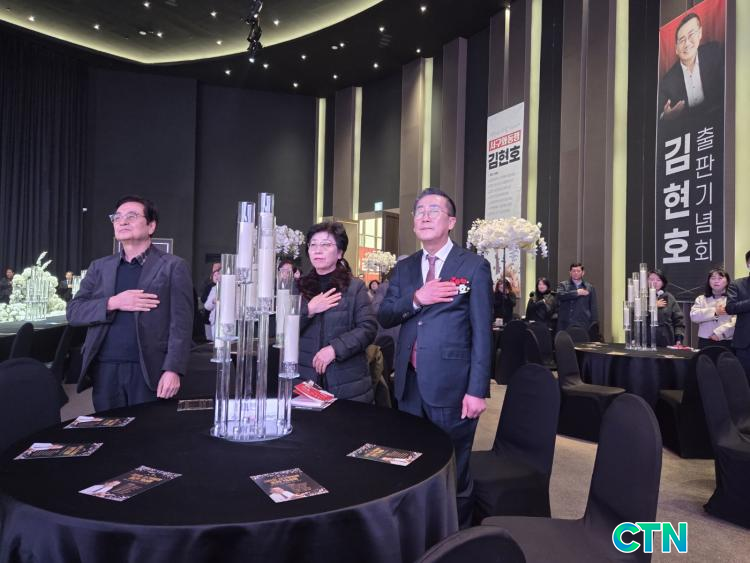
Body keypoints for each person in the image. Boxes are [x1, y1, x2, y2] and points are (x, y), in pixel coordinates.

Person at [378, 187, 493, 527]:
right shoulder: (404, 268)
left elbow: (482, 333)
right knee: (411, 463)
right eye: (419, 211)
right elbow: (385, 315)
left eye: (433, 210)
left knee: (454, 470)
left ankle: (457, 538)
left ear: (451, 222)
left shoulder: (473, 266)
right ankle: (418, 532)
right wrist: (418, 297)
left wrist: (477, 390)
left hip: (453, 387)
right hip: (409, 384)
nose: (424, 216)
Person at [67, 195, 193, 411]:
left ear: (151, 226)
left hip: (149, 369)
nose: (122, 221)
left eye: (131, 216)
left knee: (148, 430)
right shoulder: (100, 267)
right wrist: (114, 302)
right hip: (104, 369)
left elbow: (181, 324)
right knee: (110, 429)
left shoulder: (173, 266)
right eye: (117, 217)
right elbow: (74, 312)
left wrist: (173, 369)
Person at [298, 221, 377, 403]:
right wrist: (309, 310)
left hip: (348, 382)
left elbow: (368, 328)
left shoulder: (354, 287)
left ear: (340, 252)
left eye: (326, 245)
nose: (318, 250)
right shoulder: (298, 287)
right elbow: (283, 330)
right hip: (306, 379)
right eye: (313, 245)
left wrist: (335, 349)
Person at [659, 12, 724, 120]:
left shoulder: (715, 52)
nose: (687, 43)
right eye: (682, 40)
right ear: (676, 49)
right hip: (688, 127)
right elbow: (660, 115)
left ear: (700, 34)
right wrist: (666, 116)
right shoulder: (668, 81)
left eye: (691, 35)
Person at [690, 268, 735, 350]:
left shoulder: (733, 299)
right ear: (709, 281)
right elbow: (694, 316)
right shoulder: (701, 299)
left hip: (726, 340)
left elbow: (737, 320)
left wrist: (719, 333)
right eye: (713, 278)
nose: (716, 281)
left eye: (720, 278)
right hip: (705, 340)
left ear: (727, 281)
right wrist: (714, 312)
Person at [727, 250, 750, 382]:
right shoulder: (737, 284)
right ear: (748, 264)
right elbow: (730, 307)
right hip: (745, 344)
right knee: (744, 382)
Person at [647, 270, 686, 347]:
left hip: (666, 339)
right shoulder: (641, 298)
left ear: (663, 282)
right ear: (646, 281)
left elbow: (679, 320)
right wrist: (653, 306)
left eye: (658, 280)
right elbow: (636, 316)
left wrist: (678, 337)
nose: (654, 282)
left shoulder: (669, 297)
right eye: (651, 279)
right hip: (646, 340)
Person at [556, 263, 598, 332]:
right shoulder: (563, 285)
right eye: (573, 271)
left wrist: (594, 322)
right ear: (570, 272)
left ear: (583, 273)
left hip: (583, 322)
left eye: (578, 271)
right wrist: (577, 292)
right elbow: (560, 295)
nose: (576, 273)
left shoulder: (589, 287)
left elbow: (593, 306)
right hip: (566, 322)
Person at [203, 268, 221, 340]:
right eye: (215, 275)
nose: (217, 276)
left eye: (218, 274)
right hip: (214, 319)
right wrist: (213, 301)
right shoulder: (213, 288)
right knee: (212, 339)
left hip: (226, 320)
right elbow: (206, 305)